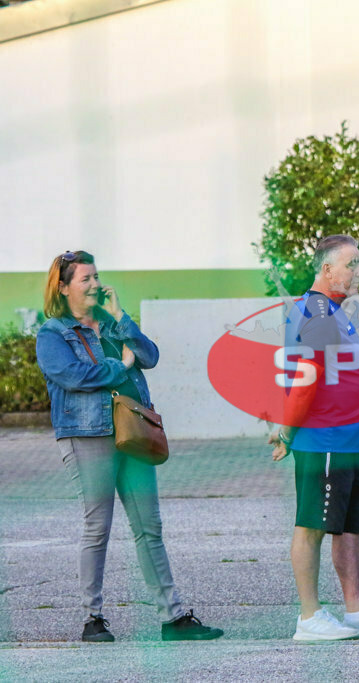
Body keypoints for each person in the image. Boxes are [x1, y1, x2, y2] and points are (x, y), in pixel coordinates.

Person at [35, 250, 223, 643]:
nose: (94, 285)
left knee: (149, 528)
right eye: (84, 279)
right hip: (88, 437)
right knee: (97, 526)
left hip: (133, 435)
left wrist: (121, 316)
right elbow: (74, 376)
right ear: (64, 286)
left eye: (96, 277)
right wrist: (120, 366)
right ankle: (93, 619)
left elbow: (150, 355)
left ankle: (173, 618)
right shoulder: (54, 333)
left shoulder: (112, 325)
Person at [268, 235, 359, 641]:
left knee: (347, 527)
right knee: (310, 524)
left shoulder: (333, 311)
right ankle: (309, 617)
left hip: (345, 438)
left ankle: (357, 610)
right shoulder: (316, 310)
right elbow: (307, 377)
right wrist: (287, 430)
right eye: (352, 264)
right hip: (323, 437)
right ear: (327, 269)